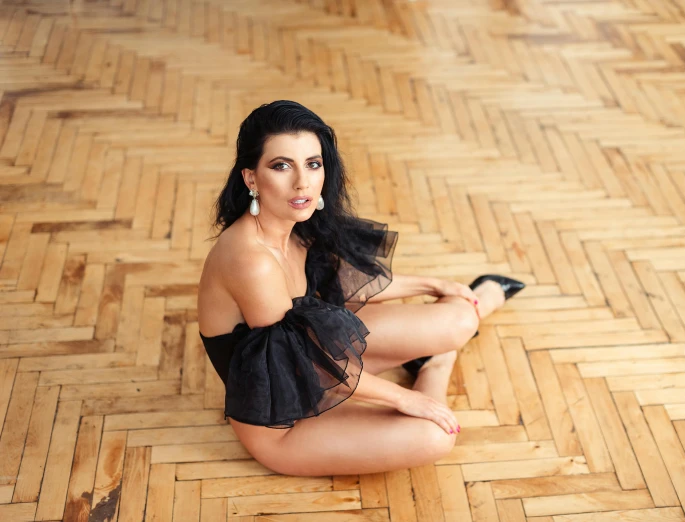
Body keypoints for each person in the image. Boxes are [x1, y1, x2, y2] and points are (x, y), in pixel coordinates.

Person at [197, 100, 525, 477]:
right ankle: (437, 361)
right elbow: (302, 363)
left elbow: (339, 284)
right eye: (281, 165)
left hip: (319, 363)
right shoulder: (250, 260)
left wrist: (432, 283)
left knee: (459, 319)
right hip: (280, 420)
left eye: (313, 164)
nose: (302, 181)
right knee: (434, 436)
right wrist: (406, 399)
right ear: (251, 178)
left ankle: (449, 334)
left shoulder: (294, 219)